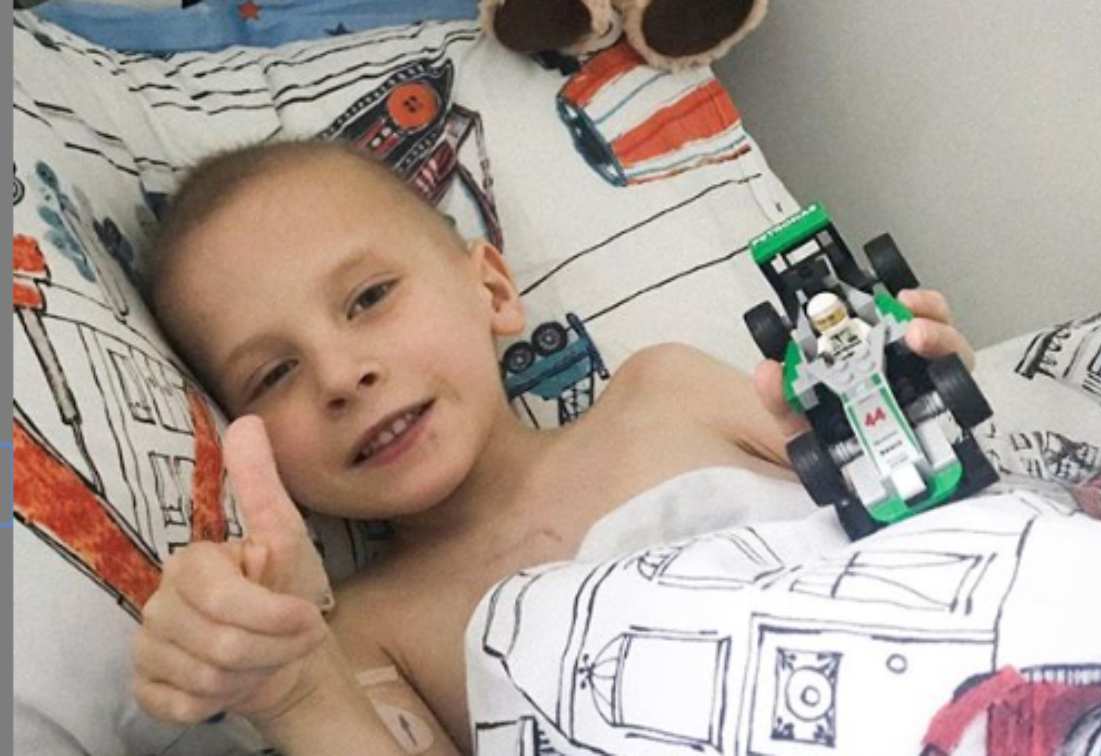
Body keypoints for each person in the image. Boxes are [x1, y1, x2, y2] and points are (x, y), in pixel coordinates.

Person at [131, 140, 974, 754]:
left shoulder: (667, 392)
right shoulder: (362, 639)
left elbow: (925, 484)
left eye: (369, 298)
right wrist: (298, 696)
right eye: (274, 374)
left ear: (492, 288)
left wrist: (916, 384)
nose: (341, 375)